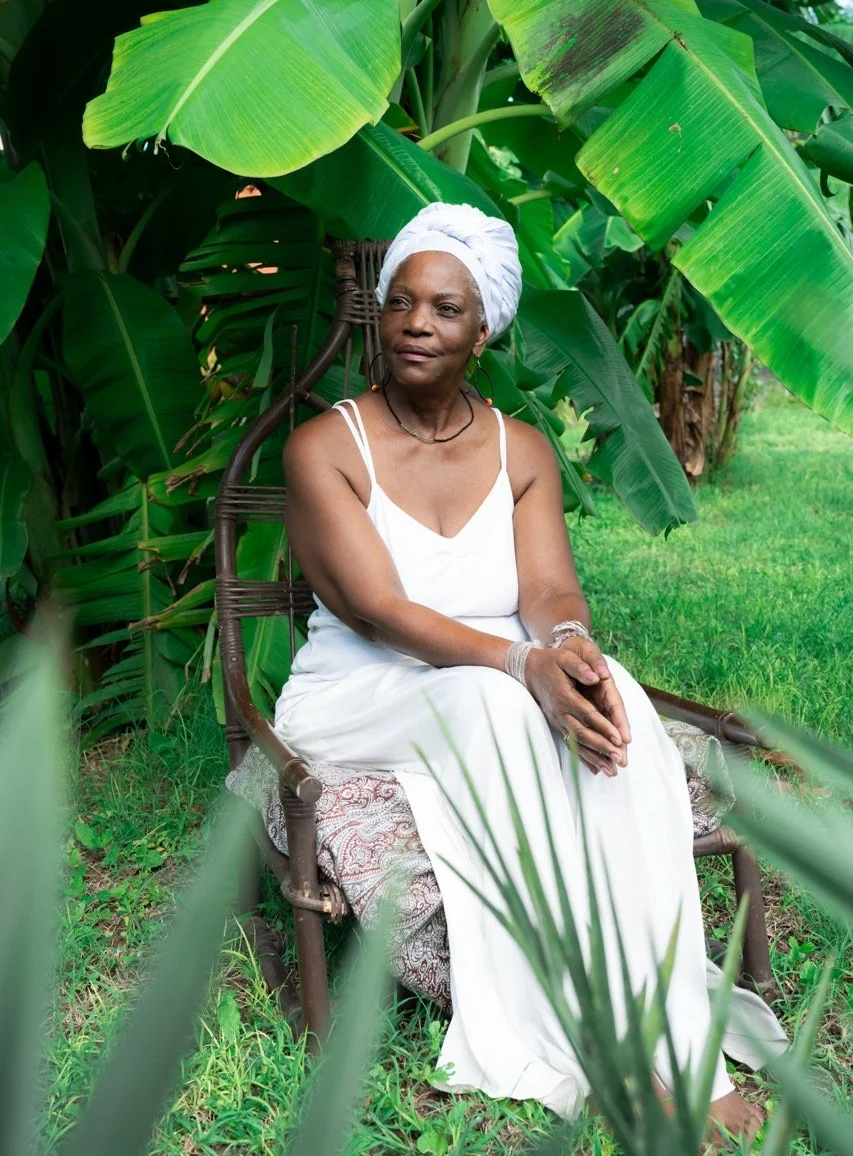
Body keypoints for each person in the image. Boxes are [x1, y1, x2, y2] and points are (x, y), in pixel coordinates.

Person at [275, 202, 784, 1142]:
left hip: (491, 679)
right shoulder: (322, 448)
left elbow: (550, 588)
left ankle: (673, 1035)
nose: (417, 323)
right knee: (499, 706)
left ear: (483, 332)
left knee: (615, 692)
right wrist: (519, 663)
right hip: (362, 692)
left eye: (445, 309)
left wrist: (568, 649)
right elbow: (381, 610)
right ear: (380, 318)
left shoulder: (520, 450)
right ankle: (592, 1048)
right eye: (401, 304)